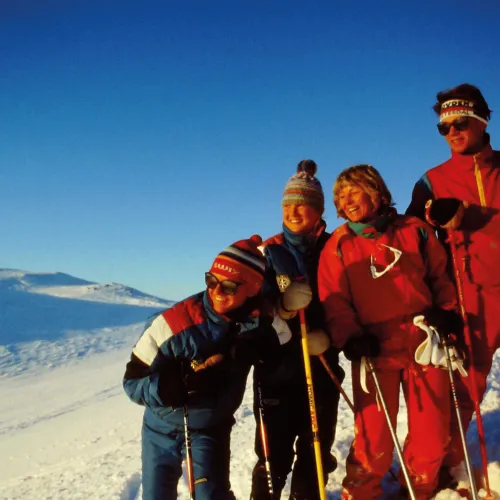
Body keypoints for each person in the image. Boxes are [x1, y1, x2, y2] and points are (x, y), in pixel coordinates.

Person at [318, 164, 459, 499]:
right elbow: (334, 299)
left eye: (355, 191)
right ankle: (362, 492)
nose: (347, 200)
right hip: (373, 348)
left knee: (432, 431)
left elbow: (440, 276)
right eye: (341, 195)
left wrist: (446, 312)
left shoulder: (413, 230)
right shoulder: (339, 245)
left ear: (377, 192)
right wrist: (351, 337)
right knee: (374, 436)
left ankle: (419, 489)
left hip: (424, 341)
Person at [123, 235, 281, 500]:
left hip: (210, 428)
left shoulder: (260, 322)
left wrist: (266, 354)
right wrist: (168, 386)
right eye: (211, 281)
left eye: (229, 286)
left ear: (252, 289)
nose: (217, 292)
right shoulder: (172, 325)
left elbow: (280, 345)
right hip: (160, 427)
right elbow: (131, 383)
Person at [406, 83, 500, 490]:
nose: (453, 132)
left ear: (482, 119)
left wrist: (475, 219)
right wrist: (433, 217)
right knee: (466, 385)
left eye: (461, 123)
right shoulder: (433, 180)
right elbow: (411, 236)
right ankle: (451, 465)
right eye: (444, 127)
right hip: (469, 293)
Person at [250, 160, 344, 500]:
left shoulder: (336, 247)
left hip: (322, 362)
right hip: (275, 369)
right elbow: (249, 310)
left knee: (315, 448)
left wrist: (330, 337)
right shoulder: (267, 251)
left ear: (318, 211)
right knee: (271, 455)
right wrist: (282, 309)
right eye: (287, 205)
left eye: (301, 205)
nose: (293, 211)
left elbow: (348, 300)